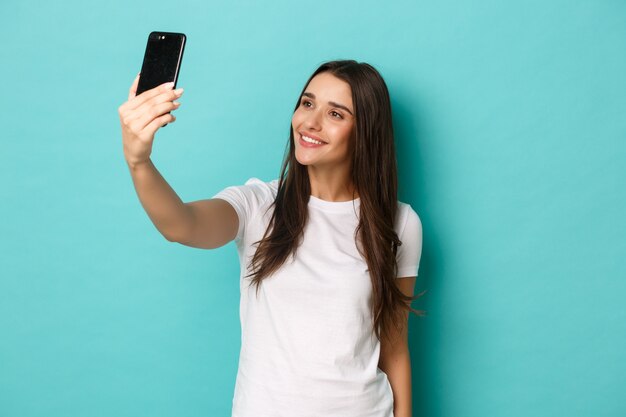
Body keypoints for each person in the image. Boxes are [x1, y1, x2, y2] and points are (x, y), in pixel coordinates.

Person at [118, 59, 424, 417]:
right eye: (307, 103)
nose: (310, 122)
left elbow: (394, 347)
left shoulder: (399, 223)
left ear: (366, 131)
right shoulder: (258, 204)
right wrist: (139, 161)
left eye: (336, 114)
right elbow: (181, 225)